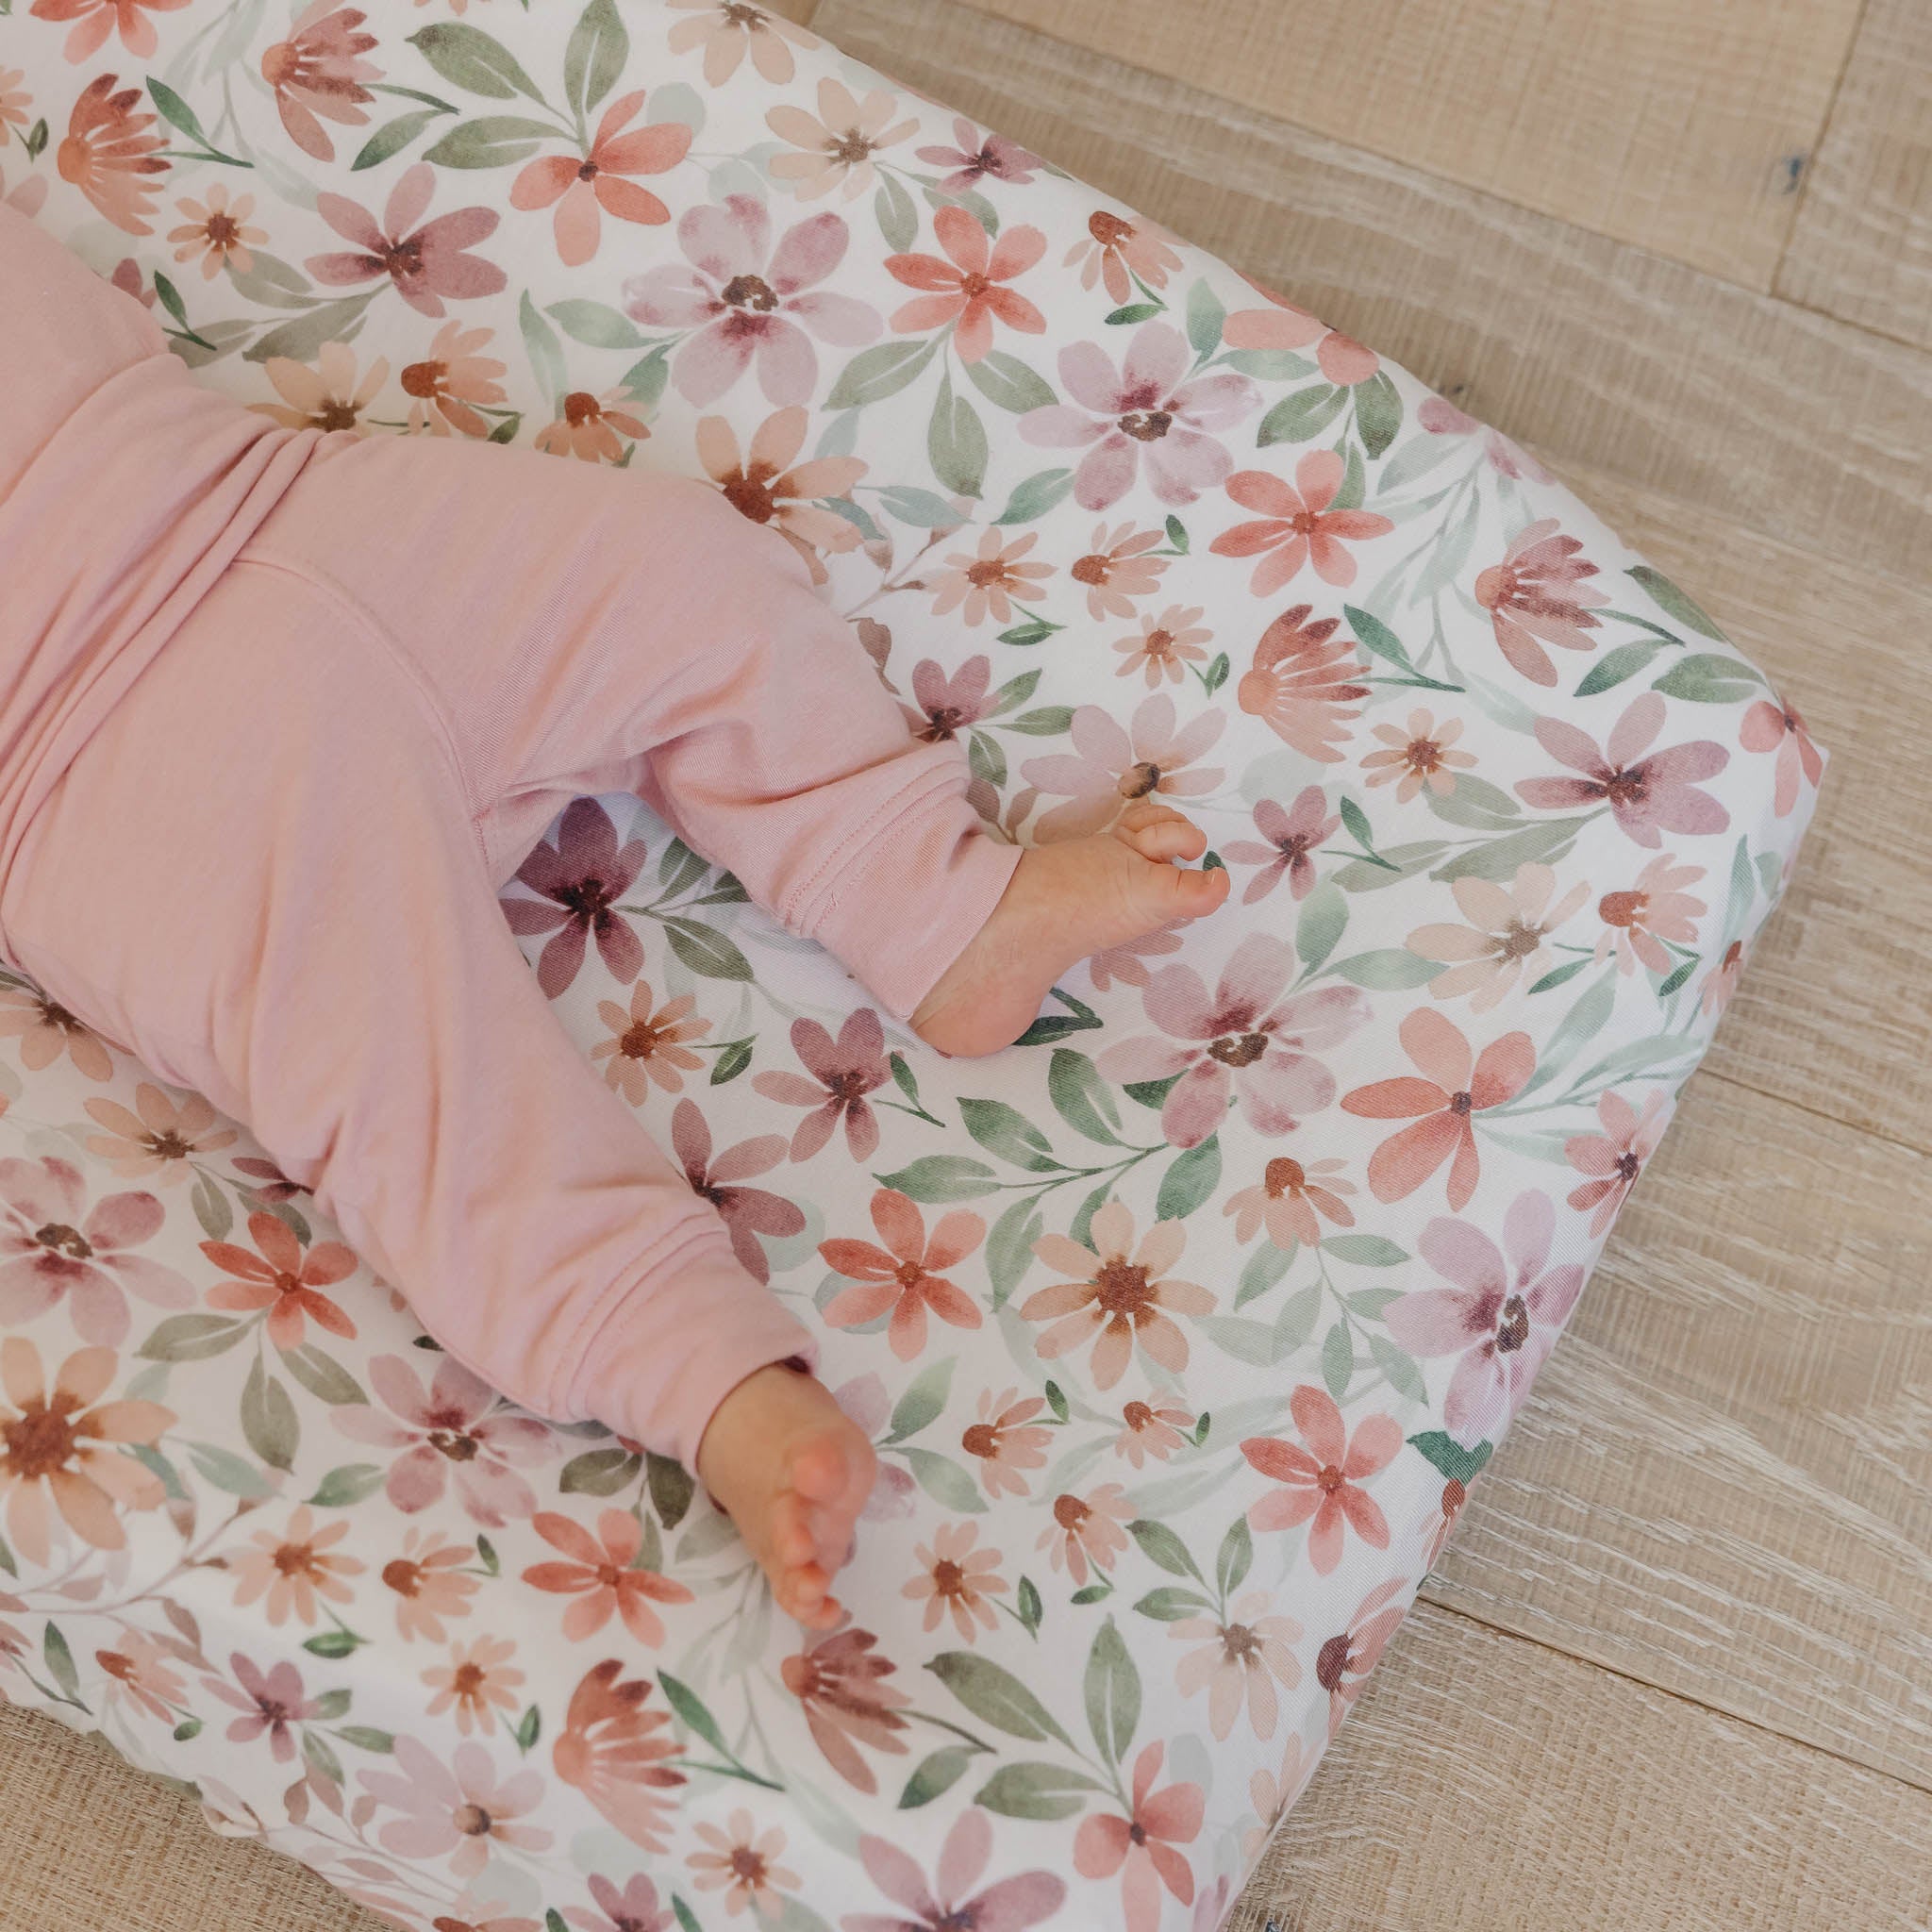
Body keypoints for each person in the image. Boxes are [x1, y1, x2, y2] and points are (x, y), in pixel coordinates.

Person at [0, 202, 1230, 1627]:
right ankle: (701, 1375)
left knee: (676, 571)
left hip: (259, 496)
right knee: (411, 1099)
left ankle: (938, 905)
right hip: (96, 782)